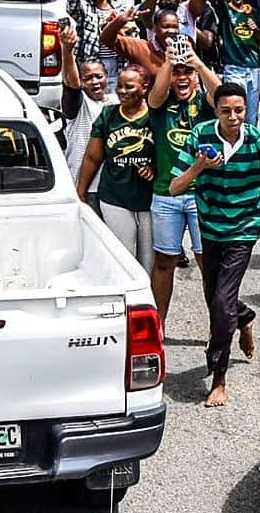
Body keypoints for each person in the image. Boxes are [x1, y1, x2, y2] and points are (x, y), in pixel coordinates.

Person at [170, 83, 260, 407]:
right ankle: (245, 317)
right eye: (226, 111)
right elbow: (174, 187)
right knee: (215, 297)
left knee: (222, 300)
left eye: (239, 110)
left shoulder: (259, 139)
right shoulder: (200, 136)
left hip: (244, 227)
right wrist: (199, 167)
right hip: (210, 227)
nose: (233, 117)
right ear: (216, 111)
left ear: (246, 109)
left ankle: (218, 375)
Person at [147, 35, 219, 324]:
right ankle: (158, 327)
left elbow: (223, 94)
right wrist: (169, 60)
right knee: (164, 263)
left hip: (202, 196)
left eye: (185, 72)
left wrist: (198, 64)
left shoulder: (205, 101)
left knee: (208, 264)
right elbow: (155, 95)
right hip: (167, 195)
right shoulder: (160, 103)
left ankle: (219, 327)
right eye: (177, 72)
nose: (181, 77)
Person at [77, 64, 156, 271]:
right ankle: (126, 302)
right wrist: (81, 192)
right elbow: (93, 157)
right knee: (122, 258)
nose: (122, 91)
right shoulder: (108, 114)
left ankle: (148, 303)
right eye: (119, 86)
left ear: (144, 88)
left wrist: (154, 167)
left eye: (129, 87)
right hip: (115, 196)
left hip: (150, 198)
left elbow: (168, 153)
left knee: (149, 262)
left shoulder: (155, 116)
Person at [58, 19, 116, 215]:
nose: (95, 81)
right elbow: (71, 83)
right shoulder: (79, 104)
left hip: (111, 189)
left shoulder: (116, 102)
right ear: (82, 82)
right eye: (88, 78)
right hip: (85, 189)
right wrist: (67, 51)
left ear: (107, 77)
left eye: (99, 76)